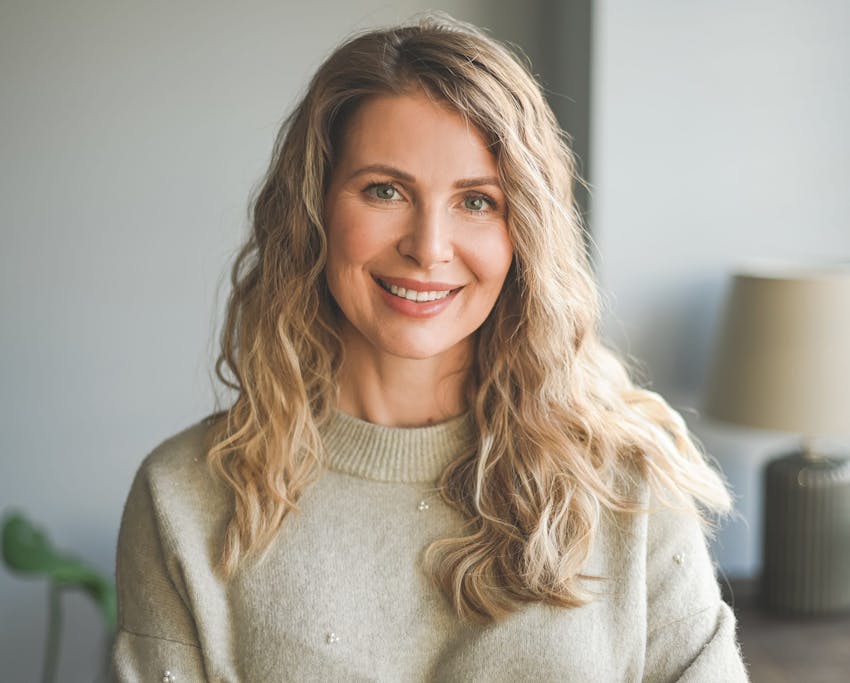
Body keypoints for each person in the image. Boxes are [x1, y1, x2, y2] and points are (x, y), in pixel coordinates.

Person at [111, 14, 749, 682]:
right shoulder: (184, 498)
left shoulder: (629, 481)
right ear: (314, 211)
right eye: (385, 190)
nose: (428, 246)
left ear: (523, 232)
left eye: (477, 201)